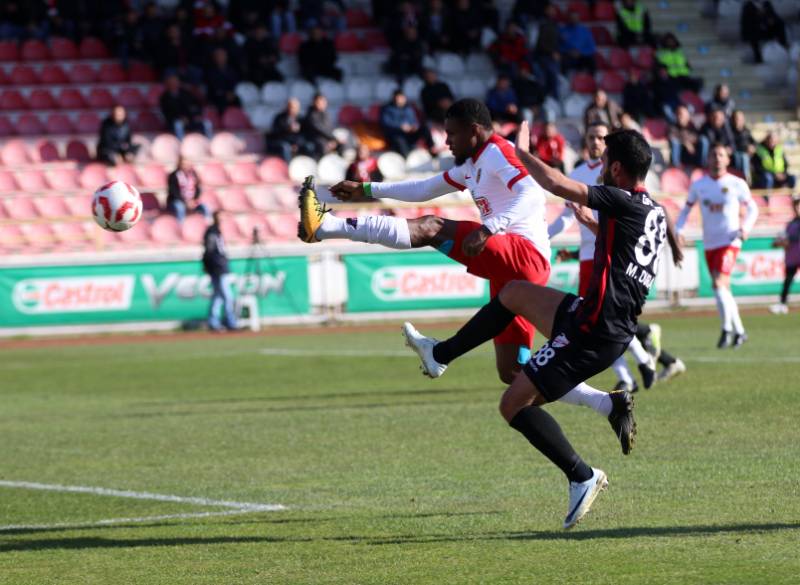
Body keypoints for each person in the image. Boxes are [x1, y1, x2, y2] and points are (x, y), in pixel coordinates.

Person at [300, 100, 635, 455]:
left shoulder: (497, 152)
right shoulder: (472, 164)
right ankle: (607, 405)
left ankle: (324, 226)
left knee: (431, 227)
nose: (447, 142)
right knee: (513, 371)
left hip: (522, 254)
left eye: (453, 134)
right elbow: (423, 189)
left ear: (474, 131)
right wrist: (368, 190)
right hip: (514, 265)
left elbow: (530, 192)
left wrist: (490, 227)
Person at [403, 122, 682, 529]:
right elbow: (625, 249)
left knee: (512, 403)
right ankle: (439, 353)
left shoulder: (620, 199)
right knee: (514, 291)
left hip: (594, 331)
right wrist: (590, 225)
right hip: (597, 318)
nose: (600, 167)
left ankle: (581, 476)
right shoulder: (652, 210)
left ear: (618, 168)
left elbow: (553, 181)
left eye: (605, 162)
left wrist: (517, 152)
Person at [549, 122, 660, 392]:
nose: (596, 141)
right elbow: (566, 217)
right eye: (591, 137)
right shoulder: (578, 173)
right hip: (589, 253)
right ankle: (635, 368)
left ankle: (639, 364)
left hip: (614, 255)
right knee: (600, 319)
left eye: (601, 137)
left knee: (600, 318)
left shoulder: (620, 174)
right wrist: (544, 237)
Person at [676, 143, 758, 348]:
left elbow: (753, 208)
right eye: (713, 154)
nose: (717, 158)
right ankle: (740, 332)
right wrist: (679, 229)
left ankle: (726, 329)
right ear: (708, 159)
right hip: (710, 242)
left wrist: (745, 228)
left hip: (730, 240)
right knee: (723, 289)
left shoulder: (736, 183)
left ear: (728, 159)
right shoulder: (699, 185)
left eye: (721, 155)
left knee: (719, 284)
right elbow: (686, 210)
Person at [202, 211, 237, 332]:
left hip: (219, 267)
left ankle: (213, 322)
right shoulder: (212, 232)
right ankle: (230, 322)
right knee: (227, 296)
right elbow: (210, 251)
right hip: (217, 268)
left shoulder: (217, 232)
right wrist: (214, 265)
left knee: (217, 296)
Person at [379, 90, 434, 158]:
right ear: (394, 98)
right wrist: (400, 126)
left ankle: (432, 148)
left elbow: (414, 121)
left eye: (402, 98)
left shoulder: (409, 108)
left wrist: (414, 126)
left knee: (425, 128)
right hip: (397, 135)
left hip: (410, 133)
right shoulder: (386, 109)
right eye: (398, 98)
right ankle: (407, 158)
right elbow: (385, 123)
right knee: (401, 144)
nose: (400, 100)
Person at [769, 197, 800, 314]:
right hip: (792, 257)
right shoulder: (791, 223)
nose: (797, 209)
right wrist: (779, 242)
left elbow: (793, 238)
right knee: (787, 281)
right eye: (796, 206)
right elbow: (785, 239)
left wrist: (785, 240)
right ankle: (782, 304)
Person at [160, 74, 212, 140]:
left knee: (207, 123)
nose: (174, 84)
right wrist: (180, 117)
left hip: (190, 118)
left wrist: (197, 115)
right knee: (178, 125)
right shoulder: (164, 97)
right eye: (172, 82)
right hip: (174, 120)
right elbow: (167, 112)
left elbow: (195, 105)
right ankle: (181, 143)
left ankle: (208, 141)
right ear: (168, 84)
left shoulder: (185, 93)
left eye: (176, 82)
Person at [167, 156, 210, 224]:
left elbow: (197, 189)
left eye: (187, 164)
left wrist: (193, 200)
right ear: (179, 164)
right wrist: (185, 202)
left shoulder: (193, 175)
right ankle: (180, 226)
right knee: (180, 207)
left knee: (205, 207)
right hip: (177, 200)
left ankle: (207, 225)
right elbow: (174, 192)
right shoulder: (173, 175)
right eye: (183, 164)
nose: (186, 166)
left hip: (191, 201)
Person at [301, 93, 342, 160]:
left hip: (327, 137)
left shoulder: (325, 113)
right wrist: (333, 138)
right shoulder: (311, 114)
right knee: (323, 146)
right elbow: (320, 130)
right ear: (314, 102)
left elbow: (329, 127)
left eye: (323, 101)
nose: (322, 103)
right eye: (319, 102)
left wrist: (334, 140)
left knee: (342, 144)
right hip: (315, 138)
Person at [266, 97, 307, 161]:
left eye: (294, 107)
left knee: (307, 146)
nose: (292, 109)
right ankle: (288, 166)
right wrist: (287, 129)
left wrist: (296, 144)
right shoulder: (279, 118)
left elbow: (303, 133)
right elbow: (275, 132)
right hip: (281, 141)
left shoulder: (300, 119)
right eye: (290, 107)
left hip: (295, 142)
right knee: (285, 147)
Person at [204, 47, 240, 115]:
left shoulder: (231, 70)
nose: (222, 58)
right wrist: (224, 93)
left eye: (223, 55)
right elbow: (213, 86)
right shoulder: (210, 71)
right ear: (214, 58)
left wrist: (231, 92)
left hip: (230, 94)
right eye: (219, 56)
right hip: (217, 95)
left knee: (237, 100)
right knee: (221, 101)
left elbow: (234, 83)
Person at [731, 110, 756, 181]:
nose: (738, 121)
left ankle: (746, 179)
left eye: (740, 119)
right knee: (742, 157)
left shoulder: (746, 131)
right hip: (735, 155)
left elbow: (754, 143)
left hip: (747, 155)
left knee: (744, 157)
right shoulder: (729, 131)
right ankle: (743, 179)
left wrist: (752, 147)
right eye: (736, 118)